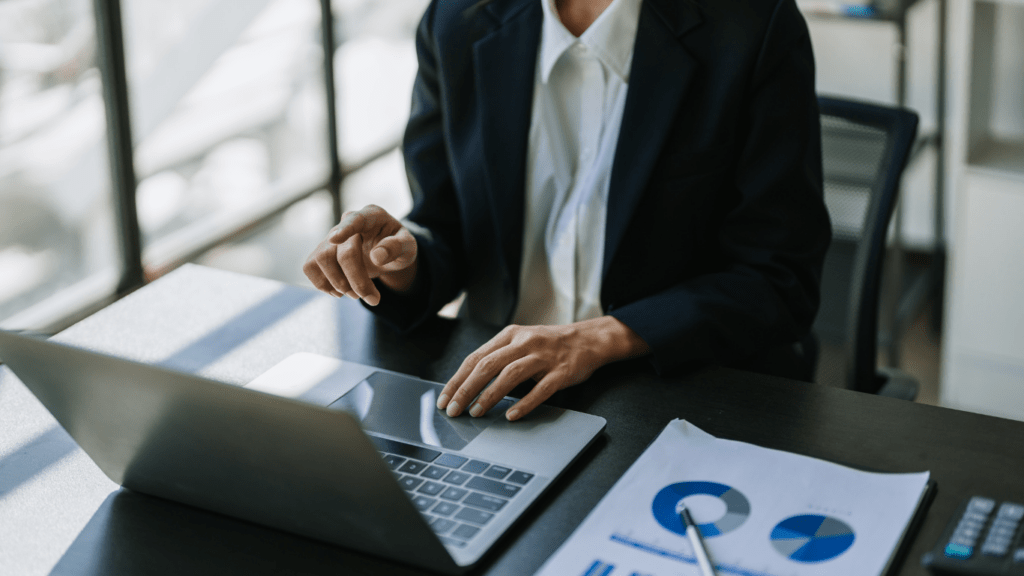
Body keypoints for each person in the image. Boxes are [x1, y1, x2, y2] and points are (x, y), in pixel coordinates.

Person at [304, 0, 832, 422]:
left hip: (675, 385)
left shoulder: (753, 23)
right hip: (499, 383)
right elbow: (449, 226)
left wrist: (601, 336)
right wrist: (402, 261)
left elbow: (779, 279)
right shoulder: (456, 16)